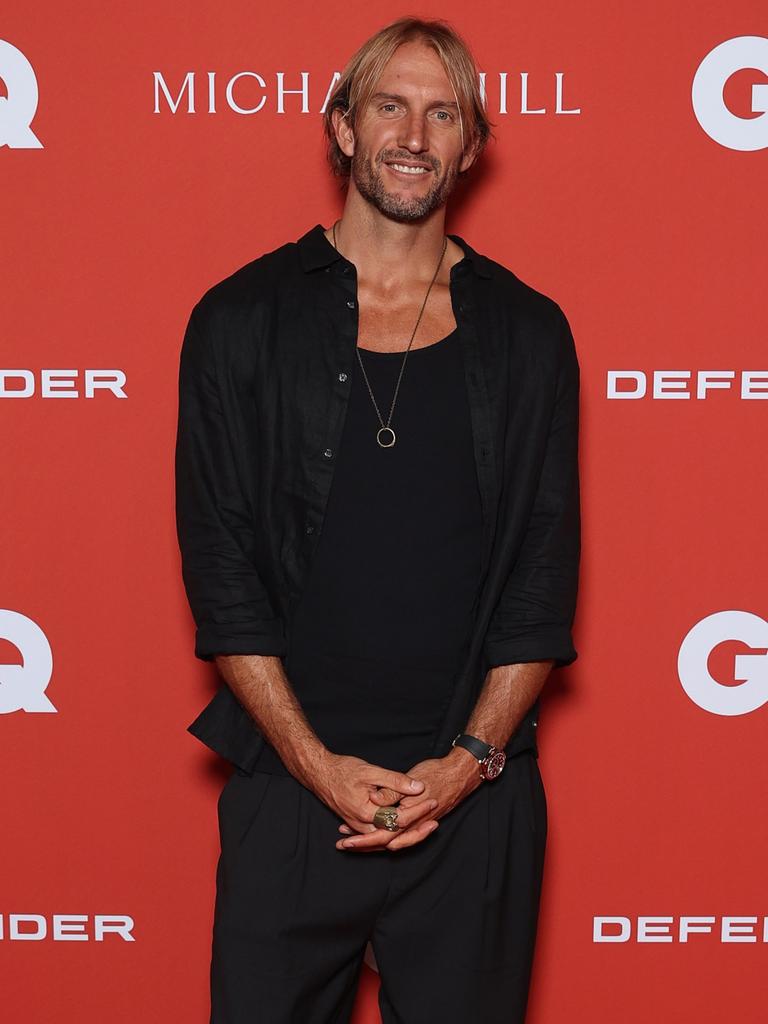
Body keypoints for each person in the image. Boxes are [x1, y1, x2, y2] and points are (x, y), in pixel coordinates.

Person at [174, 15, 580, 1024]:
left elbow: (542, 571)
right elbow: (222, 572)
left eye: (444, 113)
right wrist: (317, 767)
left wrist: (468, 764)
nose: (415, 133)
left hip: (473, 802)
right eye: (390, 105)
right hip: (291, 791)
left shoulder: (531, 332)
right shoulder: (240, 320)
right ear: (342, 127)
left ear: (472, 146)